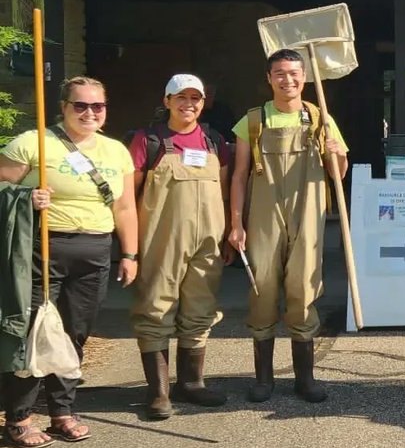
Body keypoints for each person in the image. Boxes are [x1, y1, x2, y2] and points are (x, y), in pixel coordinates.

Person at [0, 76, 137, 447]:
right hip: (42, 250)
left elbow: (124, 206)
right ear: (63, 107)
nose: (89, 112)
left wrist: (129, 253)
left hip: (95, 251)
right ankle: (19, 417)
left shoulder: (115, 151)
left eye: (98, 106)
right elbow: (1, 188)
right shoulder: (33, 144)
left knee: (75, 333)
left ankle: (62, 410)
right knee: (32, 332)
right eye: (80, 105)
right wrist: (26, 196)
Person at [227, 48, 348, 404]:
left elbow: (337, 175)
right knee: (262, 287)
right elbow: (237, 176)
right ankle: (263, 379)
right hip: (263, 216)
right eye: (280, 73)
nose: (288, 79)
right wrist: (236, 223)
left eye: (294, 73)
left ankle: (305, 378)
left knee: (303, 289)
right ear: (269, 78)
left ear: (304, 77)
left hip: (307, 214)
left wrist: (336, 151)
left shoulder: (321, 116)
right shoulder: (252, 121)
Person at [127, 74, 230, 419]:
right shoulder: (149, 140)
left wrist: (230, 232)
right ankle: (158, 393)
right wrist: (129, 246)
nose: (189, 104)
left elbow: (226, 191)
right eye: (181, 98)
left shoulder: (215, 141)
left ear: (204, 102)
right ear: (167, 100)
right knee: (156, 308)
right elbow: (130, 195)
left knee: (200, 308)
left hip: (208, 241)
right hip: (161, 240)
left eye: (195, 98)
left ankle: (192, 384)